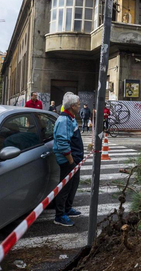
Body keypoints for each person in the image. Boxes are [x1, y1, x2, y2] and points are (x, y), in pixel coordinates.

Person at [52, 92, 84, 226]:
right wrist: (71, 161)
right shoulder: (64, 120)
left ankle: (67, 208)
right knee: (65, 188)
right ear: (72, 106)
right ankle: (59, 215)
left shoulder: (71, 118)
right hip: (68, 161)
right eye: (78, 104)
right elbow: (62, 143)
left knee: (73, 184)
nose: (80, 106)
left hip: (74, 160)